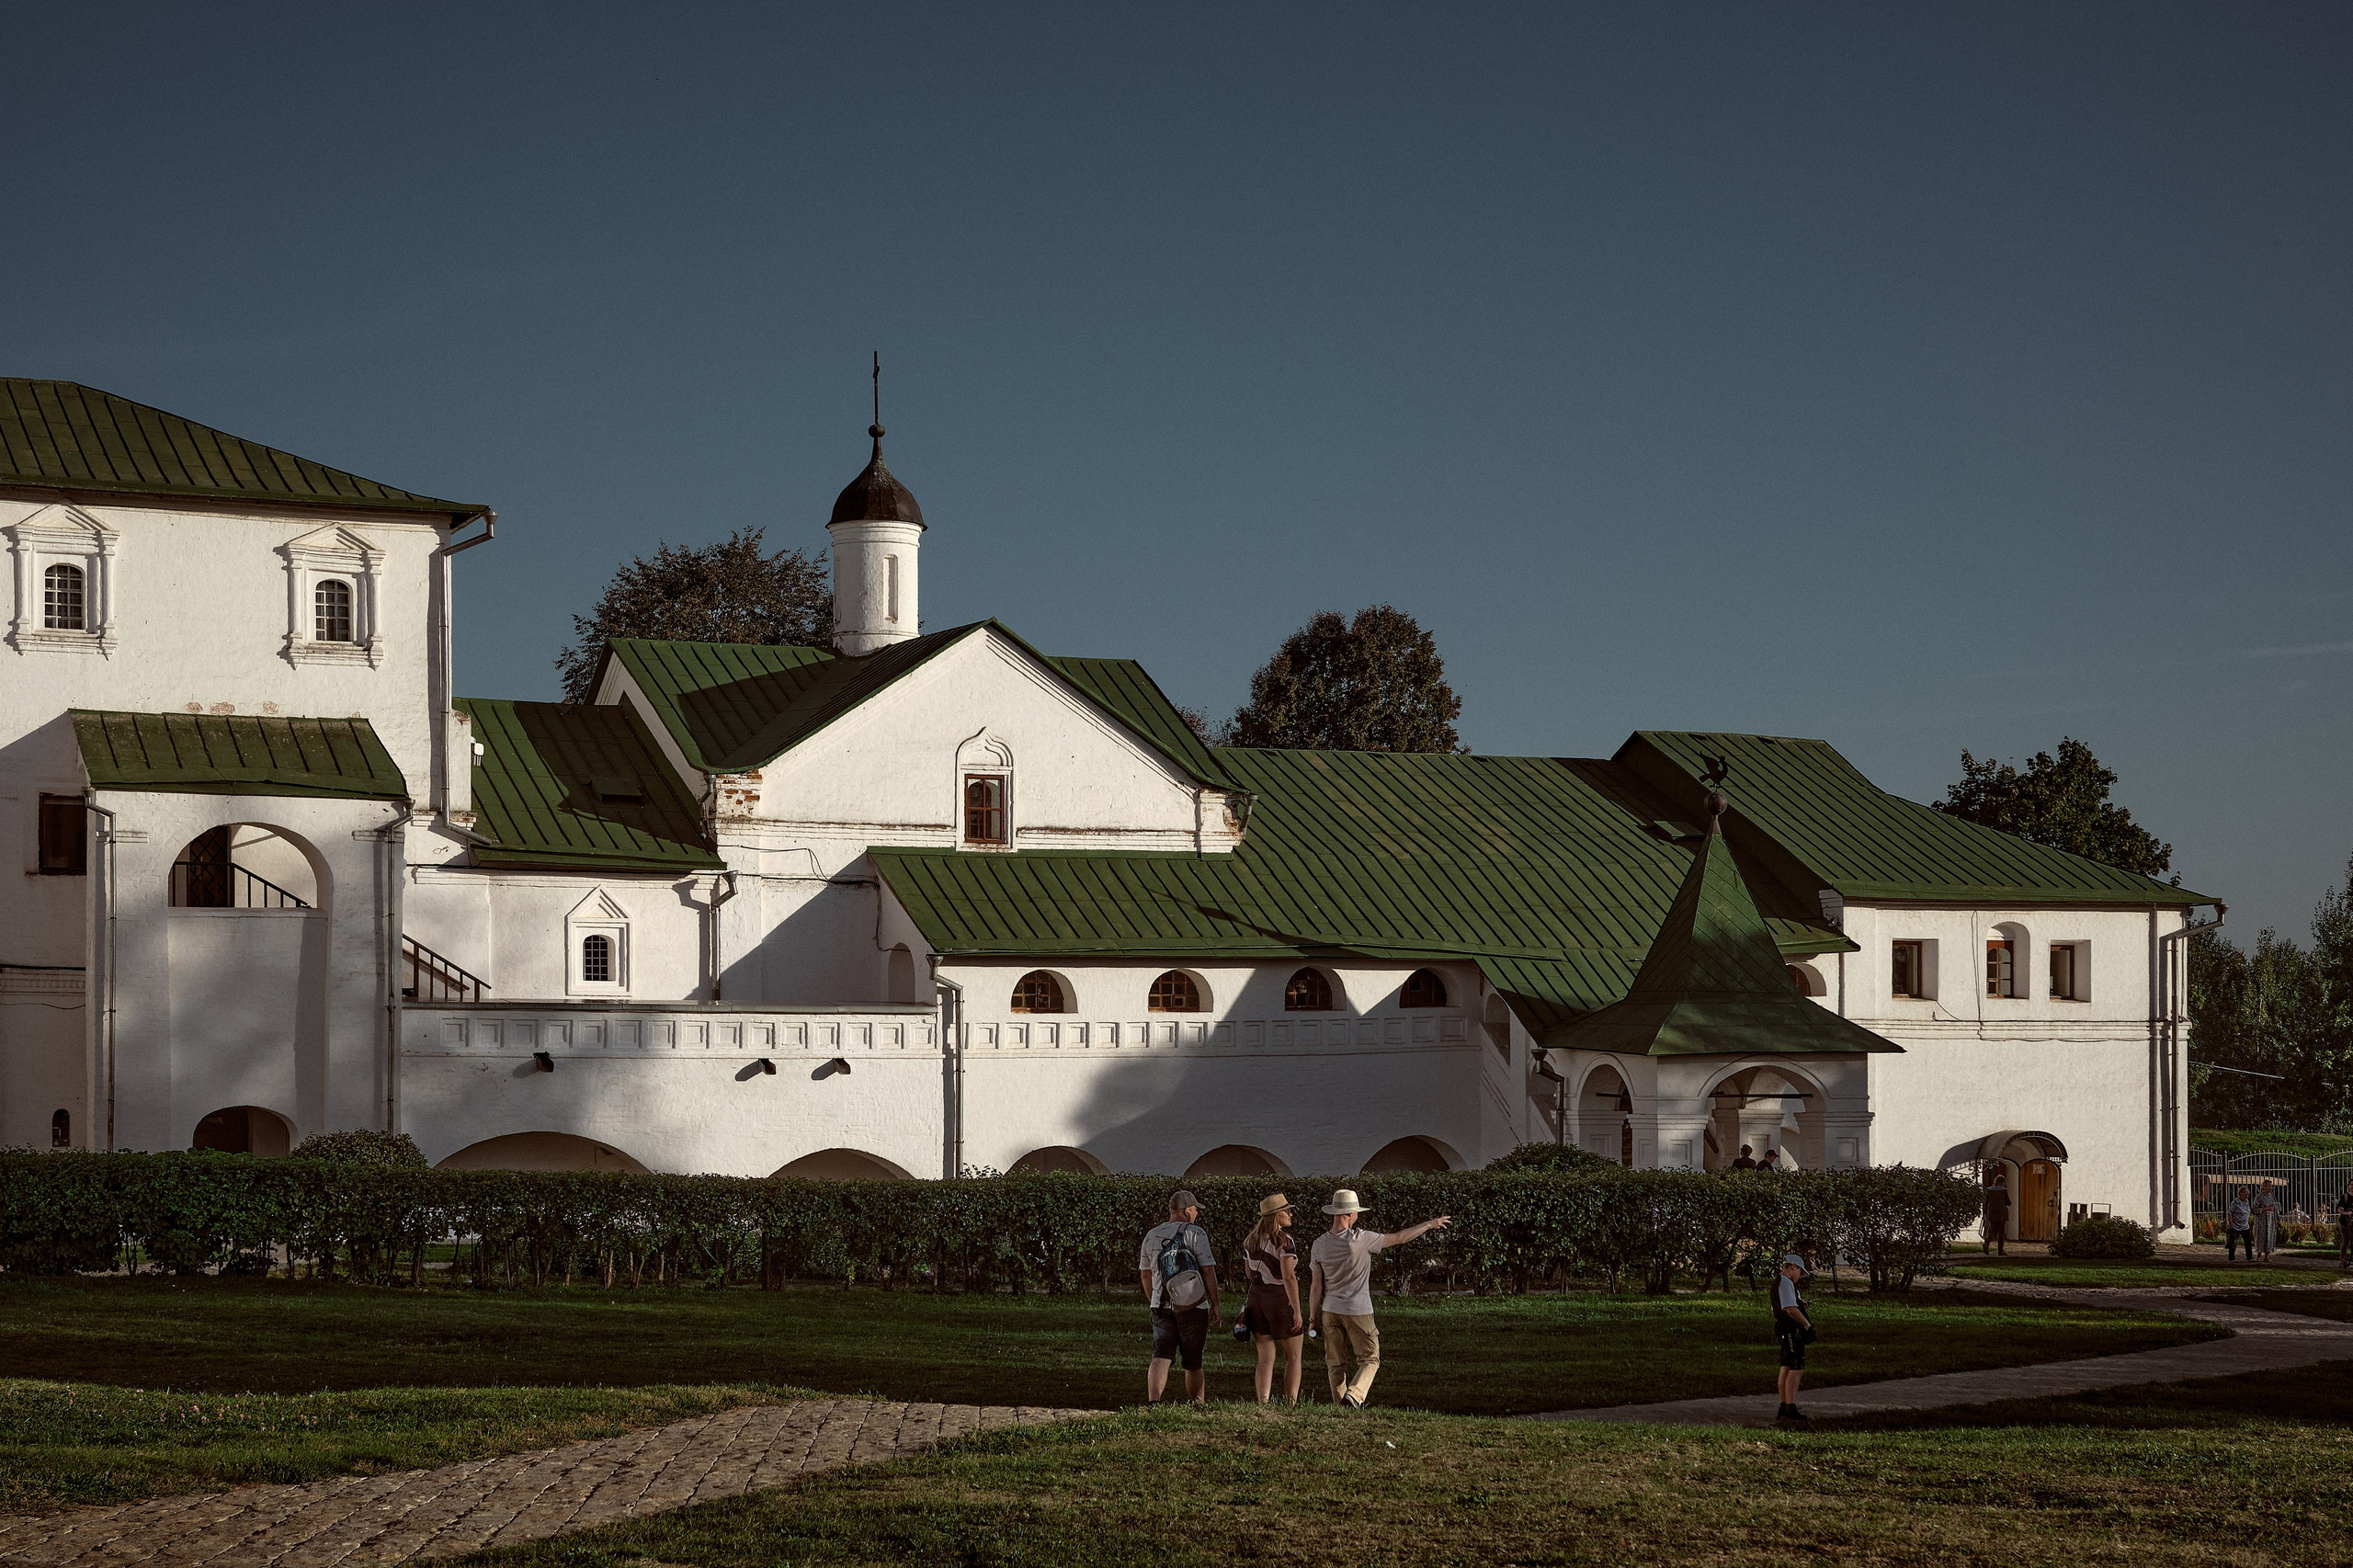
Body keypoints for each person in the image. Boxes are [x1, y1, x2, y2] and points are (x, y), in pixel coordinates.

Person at [1305, 1187, 1450, 1409]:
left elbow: (1316, 1286)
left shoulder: (1319, 1244)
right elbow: (1400, 1238)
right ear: (1351, 1214)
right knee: (1370, 1358)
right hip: (1358, 1310)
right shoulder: (1362, 1239)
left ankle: (1340, 1408)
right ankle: (1354, 1395)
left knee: (1335, 1364)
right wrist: (1429, 1224)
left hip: (1330, 1310)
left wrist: (1312, 1319)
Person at [1137, 1189, 1221, 1404]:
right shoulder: (1196, 1233)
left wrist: (1154, 1299)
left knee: (1161, 1355)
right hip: (1193, 1305)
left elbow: (1145, 1274)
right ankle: (1197, 1403)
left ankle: (1154, 1402)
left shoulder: (1151, 1235)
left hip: (1161, 1305)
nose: (1196, 1214)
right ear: (1186, 1211)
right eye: (1195, 1210)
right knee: (1193, 1361)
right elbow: (1207, 1270)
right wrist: (1215, 1303)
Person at [1240, 1193, 1306, 1404]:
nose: (1290, 1214)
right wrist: (1297, 1310)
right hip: (1279, 1300)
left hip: (1256, 1300)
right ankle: (1291, 1402)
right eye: (1286, 1211)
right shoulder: (1284, 1241)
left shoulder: (1250, 1241)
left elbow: (1249, 1273)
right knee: (1293, 1356)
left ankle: (1263, 1401)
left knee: (1265, 1358)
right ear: (1276, 1215)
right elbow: (1288, 1277)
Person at [1772, 1253, 1814, 1422]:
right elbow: (1790, 1308)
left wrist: (1801, 1304)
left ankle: (1784, 1406)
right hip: (1790, 1329)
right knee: (1796, 1368)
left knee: (1786, 1367)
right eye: (1800, 1272)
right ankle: (1790, 1408)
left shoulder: (1779, 1282)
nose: (1799, 1276)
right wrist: (1807, 1325)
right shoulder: (1785, 1282)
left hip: (1783, 1328)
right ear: (1793, 1267)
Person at [1982, 1172, 2011, 1256]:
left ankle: (1987, 1243)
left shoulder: (1989, 1190)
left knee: (1992, 1229)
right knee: (2001, 1232)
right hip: (2001, 1212)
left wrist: (1986, 1212)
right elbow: (2008, 1202)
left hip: (1991, 1212)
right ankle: (2000, 1250)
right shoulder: (2003, 1190)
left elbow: (1986, 1202)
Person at [2253, 1183, 2281, 1262]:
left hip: (2270, 1220)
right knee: (2261, 1237)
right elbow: (2254, 1209)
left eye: (2271, 1186)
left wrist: (2278, 1218)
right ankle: (2258, 1255)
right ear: (2264, 1187)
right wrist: (2265, 1209)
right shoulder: (2259, 1196)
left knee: (2269, 1237)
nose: (2271, 1188)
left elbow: (2275, 1207)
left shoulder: (2272, 1195)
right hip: (2261, 1220)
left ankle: (2267, 1256)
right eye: (2269, 1186)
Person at [2225, 1191, 2254, 1263]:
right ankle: (2231, 1258)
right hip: (2235, 1225)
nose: (2247, 1195)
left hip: (2245, 1225)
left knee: (2248, 1241)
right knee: (2233, 1242)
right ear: (2241, 1193)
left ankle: (2249, 1257)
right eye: (2245, 1193)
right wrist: (2230, 1223)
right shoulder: (2236, 1202)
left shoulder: (2246, 1201)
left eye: (2248, 1194)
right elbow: (2229, 1213)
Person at [2336, 1180, 2353, 1270]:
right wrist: (2346, 1213)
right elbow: (2340, 1209)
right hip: (2345, 1223)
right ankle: (2341, 1261)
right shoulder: (2345, 1197)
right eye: (2351, 1185)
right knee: (2346, 1241)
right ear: (2349, 1186)